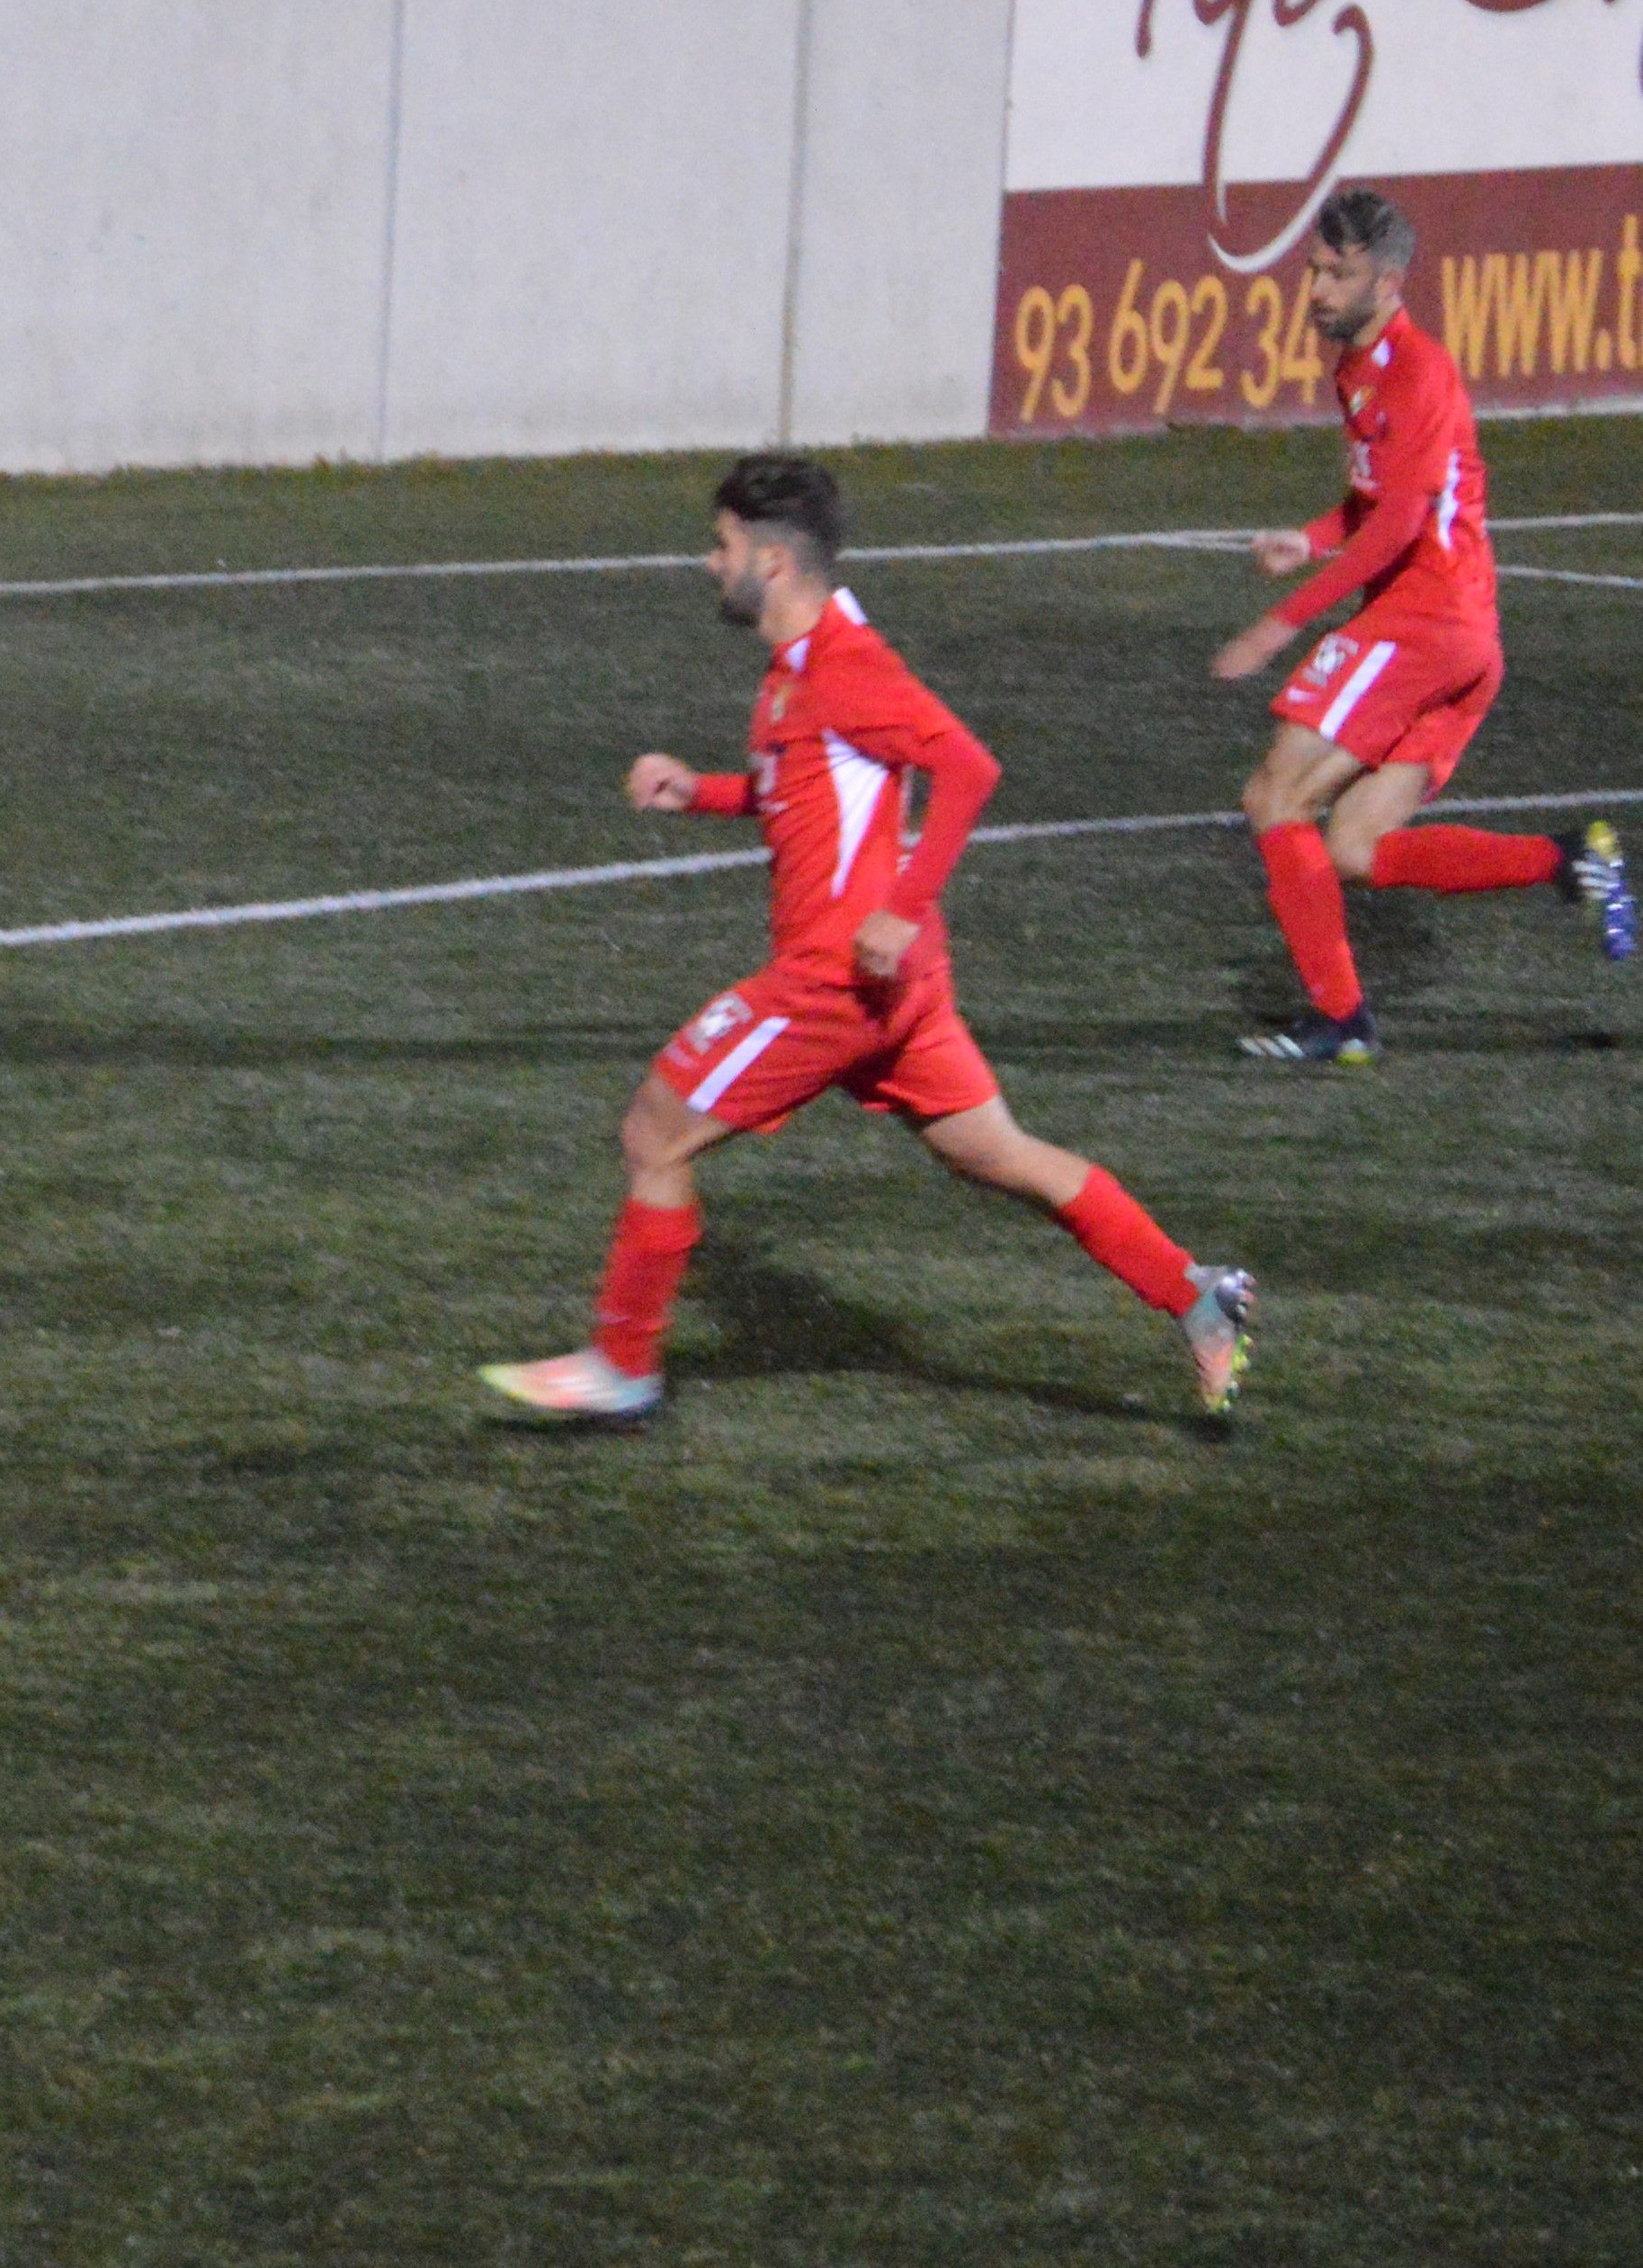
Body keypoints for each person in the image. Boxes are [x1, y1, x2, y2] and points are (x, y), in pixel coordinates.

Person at [483, 454, 1257, 1427]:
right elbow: (797, 795)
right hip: (901, 987)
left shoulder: (848, 664)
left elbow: (970, 769)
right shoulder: (792, 671)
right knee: (997, 1154)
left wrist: (901, 902)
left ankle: (623, 1363)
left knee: (654, 1131)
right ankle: (1196, 1292)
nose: (707, 564)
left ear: (771, 557)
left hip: (840, 976)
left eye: (720, 546)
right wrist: (702, 790)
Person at [1211, 185, 1631, 1062]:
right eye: (1315, 269)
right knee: (1358, 847)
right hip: (1462, 633)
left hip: (1426, 618)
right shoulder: (1356, 366)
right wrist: (1312, 536)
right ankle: (1570, 859)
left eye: (1338, 274)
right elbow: (1379, 501)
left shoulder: (1417, 371)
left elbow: (1404, 525)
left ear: (1390, 280)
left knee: (1274, 795)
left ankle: (1341, 1022)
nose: (1317, 289)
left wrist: (1280, 622)